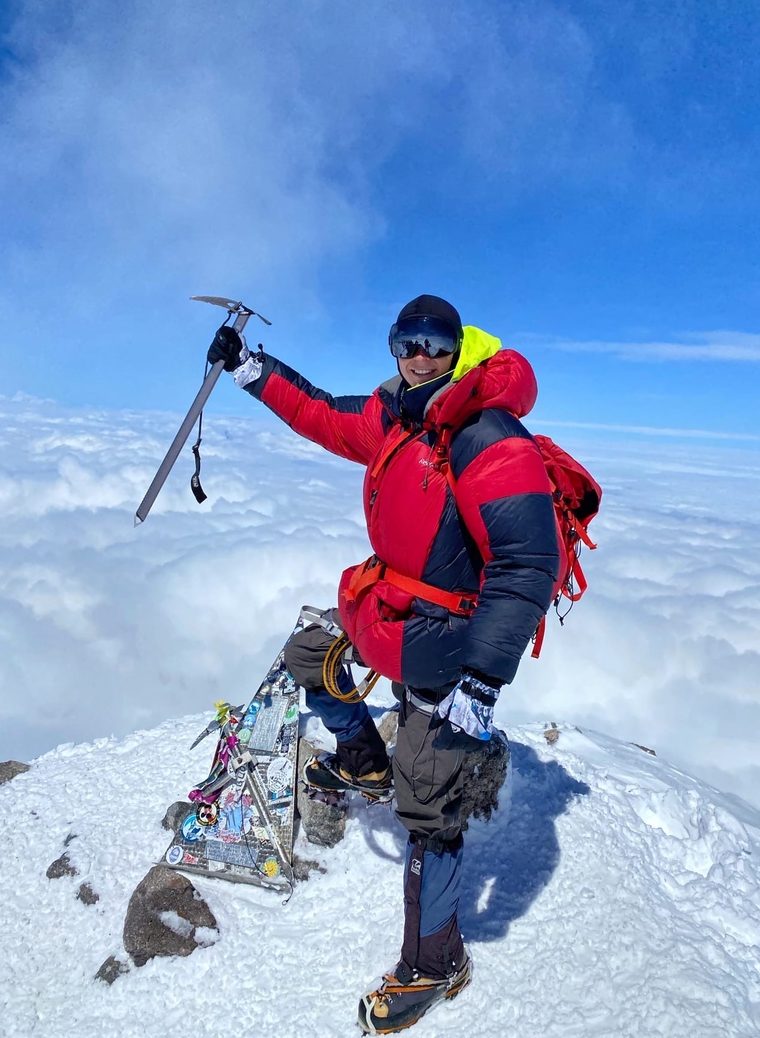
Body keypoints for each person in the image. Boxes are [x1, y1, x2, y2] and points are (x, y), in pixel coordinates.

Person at [207, 294, 563, 1034]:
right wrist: (250, 369)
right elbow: (323, 415)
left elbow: (528, 564)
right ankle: (366, 762)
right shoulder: (397, 415)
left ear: (459, 349)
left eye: (437, 344)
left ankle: (437, 962)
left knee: (427, 802)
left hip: (448, 642)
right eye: (408, 343)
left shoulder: (487, 433)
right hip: (391, 614)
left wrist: (481, 681)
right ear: (395, 349)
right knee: (310, 654)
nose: (422, 357)